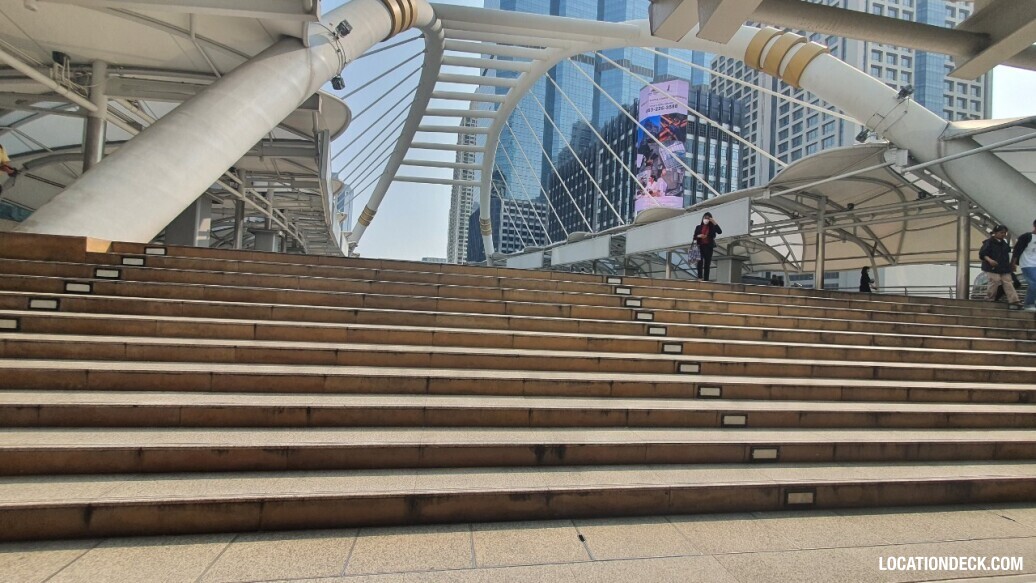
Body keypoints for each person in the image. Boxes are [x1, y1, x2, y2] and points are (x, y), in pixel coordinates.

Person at [979, 224, 1021, 306]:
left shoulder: (1004, 244)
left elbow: (1008, 255)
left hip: (1003, 267)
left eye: (1004, 233)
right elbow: (983, 254)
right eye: (1001, 232)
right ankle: (990, 298)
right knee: (995, 280)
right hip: (992, 267)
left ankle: (1014, 300)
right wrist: (990, 260)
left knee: (1008, 282)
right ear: (995, 233)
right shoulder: (989, 242)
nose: (1003, 235)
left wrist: (1012, 264)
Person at [1012, 218, 1036, 312]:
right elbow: (1017, 250)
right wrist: (1013, 263)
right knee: (1034, 282)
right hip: (1027, 264)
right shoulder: (1027, 237)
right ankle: (1028, 304)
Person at [693, 212, 722, 281]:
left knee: (707, 264)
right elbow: (694, 237)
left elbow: (720, 231)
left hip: (708, 247)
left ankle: (706, 279)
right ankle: (700, 277)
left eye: (708, 218)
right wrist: (699, 236)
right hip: (700, 246)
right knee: (699, 262)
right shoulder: (698, 227)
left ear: (710, 219)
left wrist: (714, 222)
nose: (706, 219)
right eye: (705, 218)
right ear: (703, 218)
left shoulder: (712, 227)